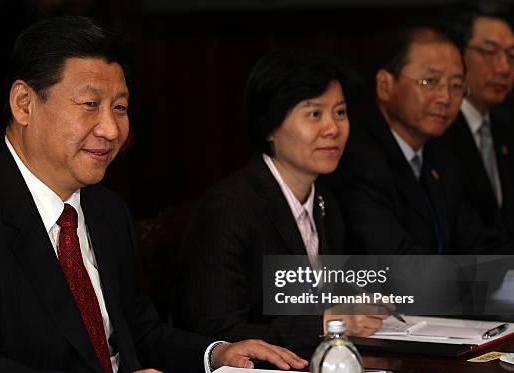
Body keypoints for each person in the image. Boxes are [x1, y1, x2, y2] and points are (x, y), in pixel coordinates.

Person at [0, 17, 307, 373]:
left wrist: (216, 355)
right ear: (24, 104)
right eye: (89, 105)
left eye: (120, 107)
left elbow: (139, 332)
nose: (111, 129)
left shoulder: (106, 209)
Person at [175, 49, 388, 351]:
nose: (333, 128)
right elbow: (216, 332)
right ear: (270, 127)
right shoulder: (231, 208)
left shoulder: (327, 203)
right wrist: (326, 323)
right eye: (314, 114)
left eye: (339, 112)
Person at [328, 25, 511, 255]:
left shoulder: (441, 154)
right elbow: (397, 263)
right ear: (385, 85)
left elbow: (478, 243)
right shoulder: (357, 159)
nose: (445, 98)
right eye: (429, 82)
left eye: (455, 86)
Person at [440, 1, 514, 240]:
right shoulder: (438, 129)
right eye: (489, 52)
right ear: (456, 53)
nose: (504, 68)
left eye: (512, 56)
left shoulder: (505, 130)